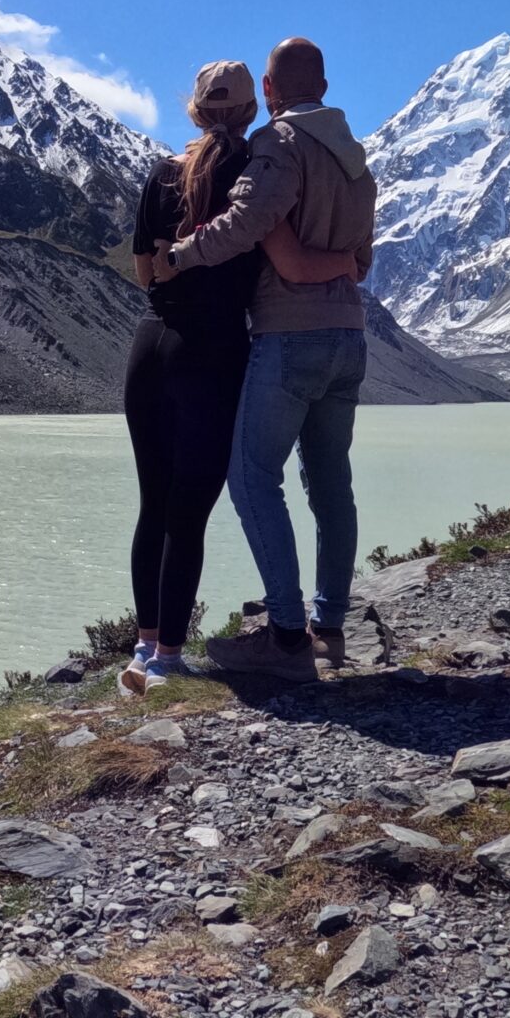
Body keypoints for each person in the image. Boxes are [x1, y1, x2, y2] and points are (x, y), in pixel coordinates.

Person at [120, 61, 363, 694]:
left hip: (151, 347)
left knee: (152, 503)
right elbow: (278, 250)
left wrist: (174, 266)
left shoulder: (161, 173)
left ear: (195, 111)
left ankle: (142, 649)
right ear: (253, 108)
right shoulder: (253, 170)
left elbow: (146, 273)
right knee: (190, 512)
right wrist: (346, 259)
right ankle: (172, 656)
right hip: (215, 352)